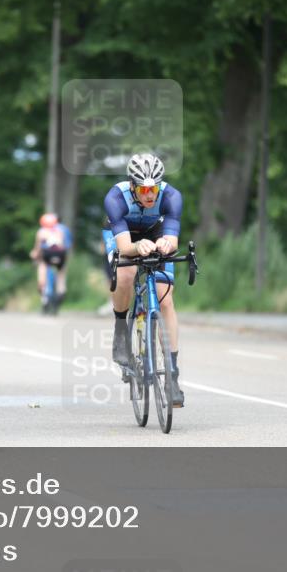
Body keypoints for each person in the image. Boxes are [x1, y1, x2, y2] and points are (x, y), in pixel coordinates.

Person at [102, 153, 186, 407]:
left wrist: (165, 244)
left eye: (154, 188)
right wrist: (138, 246)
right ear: (132, 186)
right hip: (124, 234)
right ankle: (120, 330)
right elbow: (126, 246)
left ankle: (172, 375)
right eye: (144, 189)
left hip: (155, 231)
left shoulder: (171, 197)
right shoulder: (115, 198)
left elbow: (172, 240)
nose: (150, 194)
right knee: (126, 274)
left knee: (166, 299)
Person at [29, 212, 72, 311]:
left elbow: (38, 249)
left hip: (47, 255)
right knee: (61, 277)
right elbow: (64, 246)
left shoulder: (42, 231)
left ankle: (45, 298)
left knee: (42, 270)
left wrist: (34, 255)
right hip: (61, 256)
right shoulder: (60, 231)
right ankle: (60, 294)